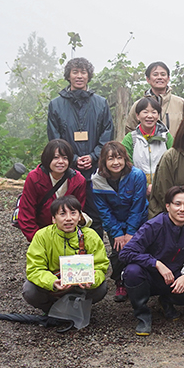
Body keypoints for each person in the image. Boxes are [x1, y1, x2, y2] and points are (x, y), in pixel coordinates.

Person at [119, 186, 184, 336]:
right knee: (132, 272)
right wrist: (156, 263)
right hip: (150, 276)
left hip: (175, 276)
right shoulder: (154, 225)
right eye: (177, 204)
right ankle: (143, 315)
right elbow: (126, 253)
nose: (182, 209)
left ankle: (167, 301)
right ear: (168, 206)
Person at [47, 57, 113, 235]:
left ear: (88, 76)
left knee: (95, 216)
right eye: (75, 72)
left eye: (83, 72)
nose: (79, 76)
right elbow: (54, 138)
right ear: (68, 75)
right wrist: (73, 159)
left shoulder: (101, 103)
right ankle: (66, 256)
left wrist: (93, 156)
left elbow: (107, 134)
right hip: (67, 169)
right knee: (67, 212)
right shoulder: (56, 105)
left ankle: (94, 257)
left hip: (96, 169)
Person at [22, 196, 110, 317]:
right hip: (54, 287)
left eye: (73, 213)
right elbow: (34, 268)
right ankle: (50, 308)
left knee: (101, 288)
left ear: (80, 217)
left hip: (80, 287)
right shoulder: (42, 236)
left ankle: (77, 307)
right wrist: (52, 282)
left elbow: (100, 266)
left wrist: (92, 279)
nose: (68, 219)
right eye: (62, 214)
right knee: (30, 290)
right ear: (53, 219)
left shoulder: (90, 236)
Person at [91, 140, 147, 303]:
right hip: (114, 222)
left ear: (125, 159)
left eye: (119, 157)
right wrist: (116, 233)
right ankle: (119, 281)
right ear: (104, 161)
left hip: (137, 220)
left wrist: (130, 232)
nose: (116, 162)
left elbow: (138, 205)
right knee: (117, 252)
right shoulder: (97, 180)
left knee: (138, 250)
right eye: (110, 159)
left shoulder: (136, 175)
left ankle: (139, 282)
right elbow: (103, 210)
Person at [16, 139, 87, 243]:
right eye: (56, 157)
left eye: (65, 158)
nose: (61, 161)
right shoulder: (35, 178)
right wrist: (38, 239)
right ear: (47, 158)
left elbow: (79, 212)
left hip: (69, 234)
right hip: (41, 232)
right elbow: (26, 212)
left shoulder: (78, 180)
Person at [126, 61, 184, 138]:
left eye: (163, 74)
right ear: (148, 79)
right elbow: (130, 130)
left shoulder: (180, 103)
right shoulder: (138, 104)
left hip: (175, 149)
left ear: (168, 79)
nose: (159, 77)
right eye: (155, 74)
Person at [122, 97, 173, 195]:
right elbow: (127, 165)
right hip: (137, 190)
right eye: (145, 112)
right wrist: (144, 186)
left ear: (158, 115)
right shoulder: (130, 138)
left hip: (164, 189)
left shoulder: (166, 136)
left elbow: (174, 162)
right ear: (137, 116)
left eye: (154, 112)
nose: (150, 116)